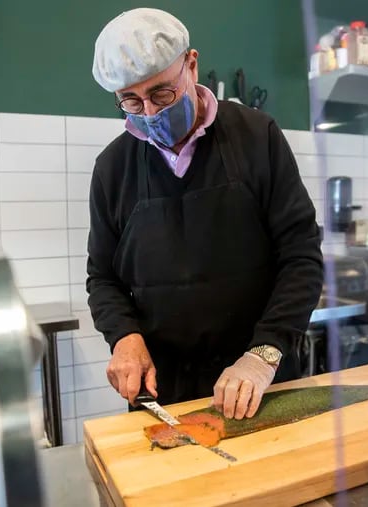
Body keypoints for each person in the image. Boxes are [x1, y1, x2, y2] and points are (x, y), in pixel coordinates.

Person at [87, 8, 323, 420]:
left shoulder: (257, 137)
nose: (150, 113)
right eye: (131, 101)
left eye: (161, 94)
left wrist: (263, 355)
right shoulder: (113, 168)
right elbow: (103, 277)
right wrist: (124, 337)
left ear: (191, 65)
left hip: (260, 383)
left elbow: (301, 257)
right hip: (165, 393)